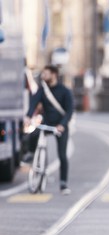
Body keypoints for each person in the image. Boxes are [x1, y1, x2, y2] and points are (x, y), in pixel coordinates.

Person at [24, 65, 74, 195]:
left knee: (62, 155)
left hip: (60, 126)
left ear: (54, 74)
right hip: (47, 123)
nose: (42, 76)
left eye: (45, 74)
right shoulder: (42, 90)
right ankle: (30, 153)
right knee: (33, 132)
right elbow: (33, 103)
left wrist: (62, 124)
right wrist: (28, 116)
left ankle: (63, 184)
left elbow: (69, 111)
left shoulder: (65, 91)